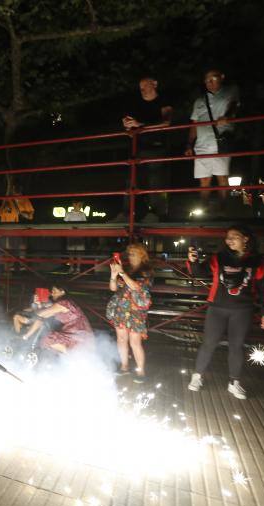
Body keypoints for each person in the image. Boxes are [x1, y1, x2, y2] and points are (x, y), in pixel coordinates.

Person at [186, 225, 264, 400]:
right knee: (208, 343)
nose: (229, 240)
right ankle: (197, 376)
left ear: (246, 238)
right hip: (217, 307)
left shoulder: (257, 261)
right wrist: (193, 261)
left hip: (242, 310)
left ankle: (234, 382)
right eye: (227, 237)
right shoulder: (219, 258)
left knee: (236, 346)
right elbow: (199, 272)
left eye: (234, 236)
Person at [185, 69, 240, 206]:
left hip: (220, 142)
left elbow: (234, 106)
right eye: (207, 80)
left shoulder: (230, 91)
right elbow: (194, 124)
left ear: (222, 77)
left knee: (222, 177)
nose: (210, 82)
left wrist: (227, 116)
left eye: (213, 78)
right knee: (204, 180)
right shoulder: (199, 101)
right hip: (202, 145)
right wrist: (189, 144)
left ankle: (223, 210)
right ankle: (204, 209)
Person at [122, 75, 173, 220]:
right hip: (138, 147)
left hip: (157, 146)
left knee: (156, 180)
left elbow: (166, 123)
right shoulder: (135, 104)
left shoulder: (164, 100)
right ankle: (127, 213)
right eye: (141, 88)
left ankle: (157, 214)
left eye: (145, 86)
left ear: (155, 84)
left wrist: (139, 125)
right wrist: (128, 125)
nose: (143, 90)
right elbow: (130, 126)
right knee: (131, 180)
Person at [106, 243, 153, 383]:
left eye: (133, 254)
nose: (130, 256)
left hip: (136, 310)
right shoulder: (125, 269)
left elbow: (136, 287)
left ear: (141, 255)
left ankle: (141, 370)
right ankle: (124, 366)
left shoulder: (147, 271)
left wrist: (121, 273)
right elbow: (113, 288)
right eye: (129, 254)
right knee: (121, 339)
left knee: (135, 342)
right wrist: (113, 275)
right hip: (121, 308)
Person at [20, 285, 93, 355]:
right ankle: (70, 356)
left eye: (54, 291)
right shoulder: (62, 304)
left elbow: (41, 314)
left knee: (49, 338)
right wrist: (26, 336)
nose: (52, 294)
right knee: (49, 339)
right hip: (76, 333)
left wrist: (38, 305)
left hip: (78, 333)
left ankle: (72, 356)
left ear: (62, 292)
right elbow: (42, 317)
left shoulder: (64, 303)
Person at [0, 185, 34, 271]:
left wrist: (20, 213)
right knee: (8, 247)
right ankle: (9, 267)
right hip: (8, 228)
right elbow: (0, 212)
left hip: (20, 228)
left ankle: (22, 266)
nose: (15, 190)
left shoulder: (25, 200)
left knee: (20, 247)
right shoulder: (8, 200)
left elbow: (30, 216)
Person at [64, 199, 87, 274]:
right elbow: (65, 225)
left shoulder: (82, 214)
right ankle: (71, 268)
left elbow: (85, 225)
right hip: (71, 235)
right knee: (71, 252)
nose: (80, 207)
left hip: (80, 236)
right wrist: (72, 228)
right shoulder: (68, 214)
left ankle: (78, 268)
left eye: (81, 205)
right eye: (79, 205)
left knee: (79, 253)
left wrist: (79, 228)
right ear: (74, 205)